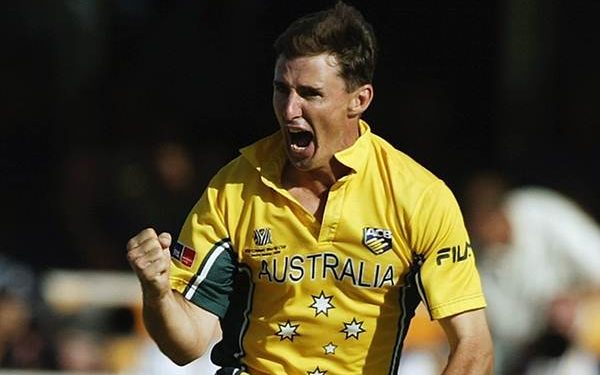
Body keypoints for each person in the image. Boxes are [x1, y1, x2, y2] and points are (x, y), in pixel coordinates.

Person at [126, 3, 493, 374]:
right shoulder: (233, 189)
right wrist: (157, 293)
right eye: (281, 89)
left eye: (310, 93)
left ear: (359, 100)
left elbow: (474, 347)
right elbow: (185, 346)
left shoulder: (419, 197)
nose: (289, 110)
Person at [464, 172, 600, 375]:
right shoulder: (480, 262)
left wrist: (576, 300)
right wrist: (547, 315)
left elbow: (595, 258)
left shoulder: (540, 211)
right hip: (547, 351)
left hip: (588, 314)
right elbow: (512, 330)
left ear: (499, 212)